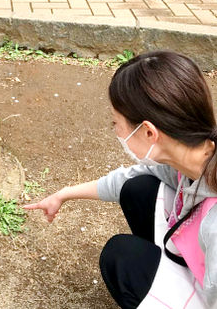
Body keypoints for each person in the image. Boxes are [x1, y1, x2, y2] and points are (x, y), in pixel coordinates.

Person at [25, 51, 217, 308]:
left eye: (116, 123)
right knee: (138, 189)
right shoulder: (194, 154)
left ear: (149, 132)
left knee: (122, 258)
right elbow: (125, 181)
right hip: (199, 267)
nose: (115, 130)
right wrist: (64, 194)